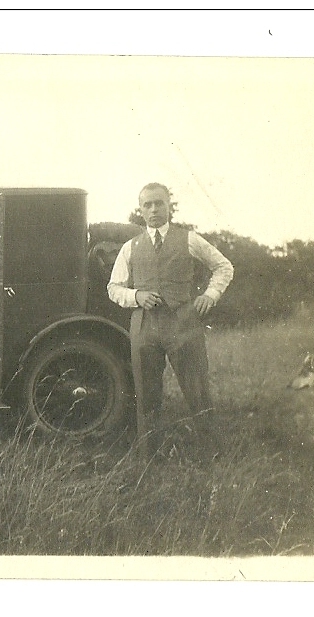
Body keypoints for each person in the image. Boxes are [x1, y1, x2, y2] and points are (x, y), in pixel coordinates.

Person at [107, 182, 234, 458]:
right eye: (147, 205)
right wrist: (137, 295)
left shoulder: (189, 239)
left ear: (169, 206)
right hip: (144, 327)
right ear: (140, 210)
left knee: (197, 392)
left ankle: (212, 456)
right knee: (147, 396)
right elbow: (113, 287)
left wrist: (210, 295)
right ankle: (150, 459)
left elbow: (223, 266)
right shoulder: (130, 247)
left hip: (183, 325)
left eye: (159, 203)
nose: (153, 209)